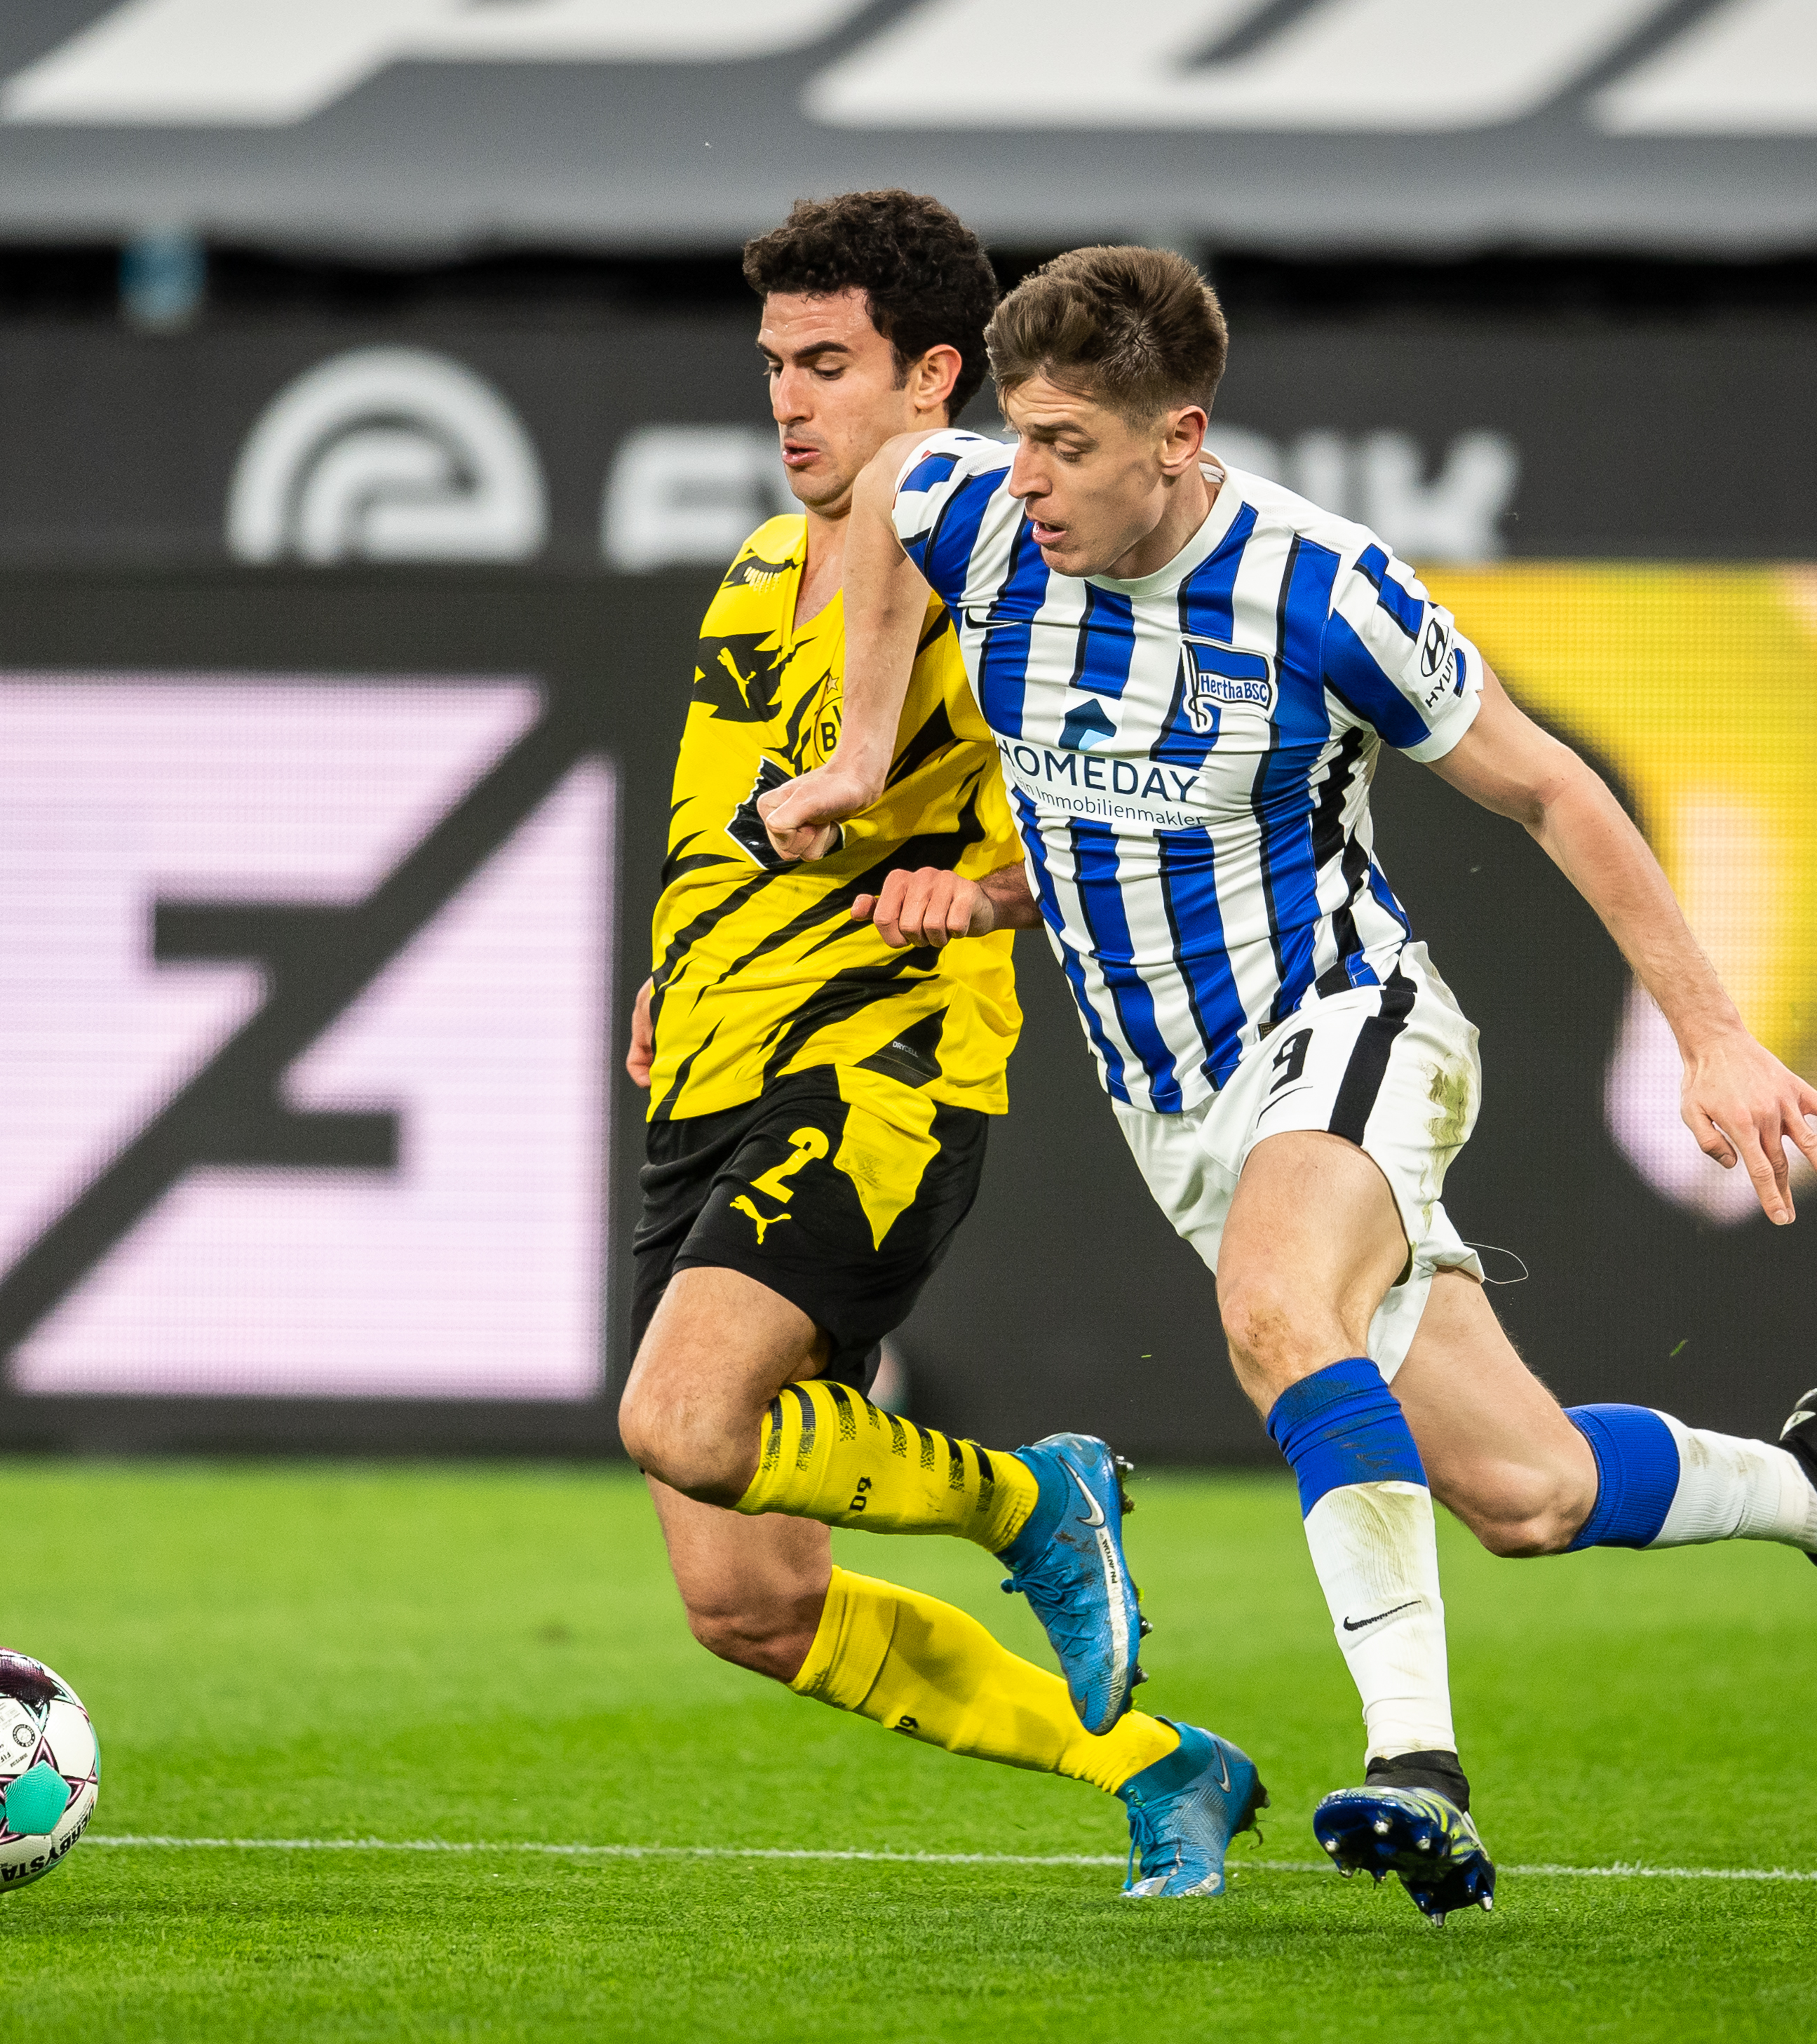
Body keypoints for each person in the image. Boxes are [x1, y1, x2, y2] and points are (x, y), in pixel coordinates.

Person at [764, 245, 1817, 1925]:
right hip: (1170, 1104)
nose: (1026, 479)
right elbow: (893, 494)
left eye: (1070, 447)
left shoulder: (1322, 589)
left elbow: (1553, 791)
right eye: (1019, 436)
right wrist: (868, 761)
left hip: (1344, 1021)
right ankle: (1814, 1486)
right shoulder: (974, 510)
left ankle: (1419, 1771)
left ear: (1179, 438)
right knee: (1526, 1492)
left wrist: (1710, 1033)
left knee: (1272, 1310)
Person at [609, 195, 1267, 1900]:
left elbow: (1123, 839)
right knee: (745, 1599)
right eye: (773, 365)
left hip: (878, 1078)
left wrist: (977, 905)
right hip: (709, 1074)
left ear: (935, 378)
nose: (787, 401)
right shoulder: (765, 561)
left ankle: (1031, 1503)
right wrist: (671, 970)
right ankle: (1157, 1764)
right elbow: (718, 811)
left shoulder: (1015, 594)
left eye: (826, 365)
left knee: (683, 1416)